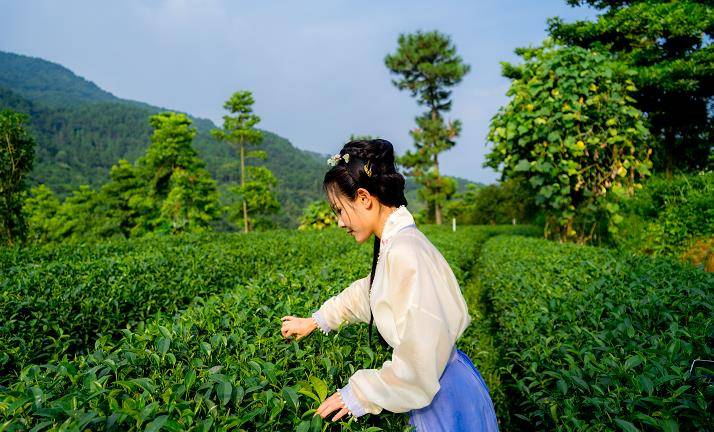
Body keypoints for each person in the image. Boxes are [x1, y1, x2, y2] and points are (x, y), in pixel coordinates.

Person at [280, 139, 498, 431]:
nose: (340, 222)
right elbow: (369, 293)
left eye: (339, 210)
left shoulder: (405, 250)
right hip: (438, 388)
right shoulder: (397, 243)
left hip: (442, 394)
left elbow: (420, 357)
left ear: (363, 198)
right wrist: (317, 321)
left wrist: (358, 393)